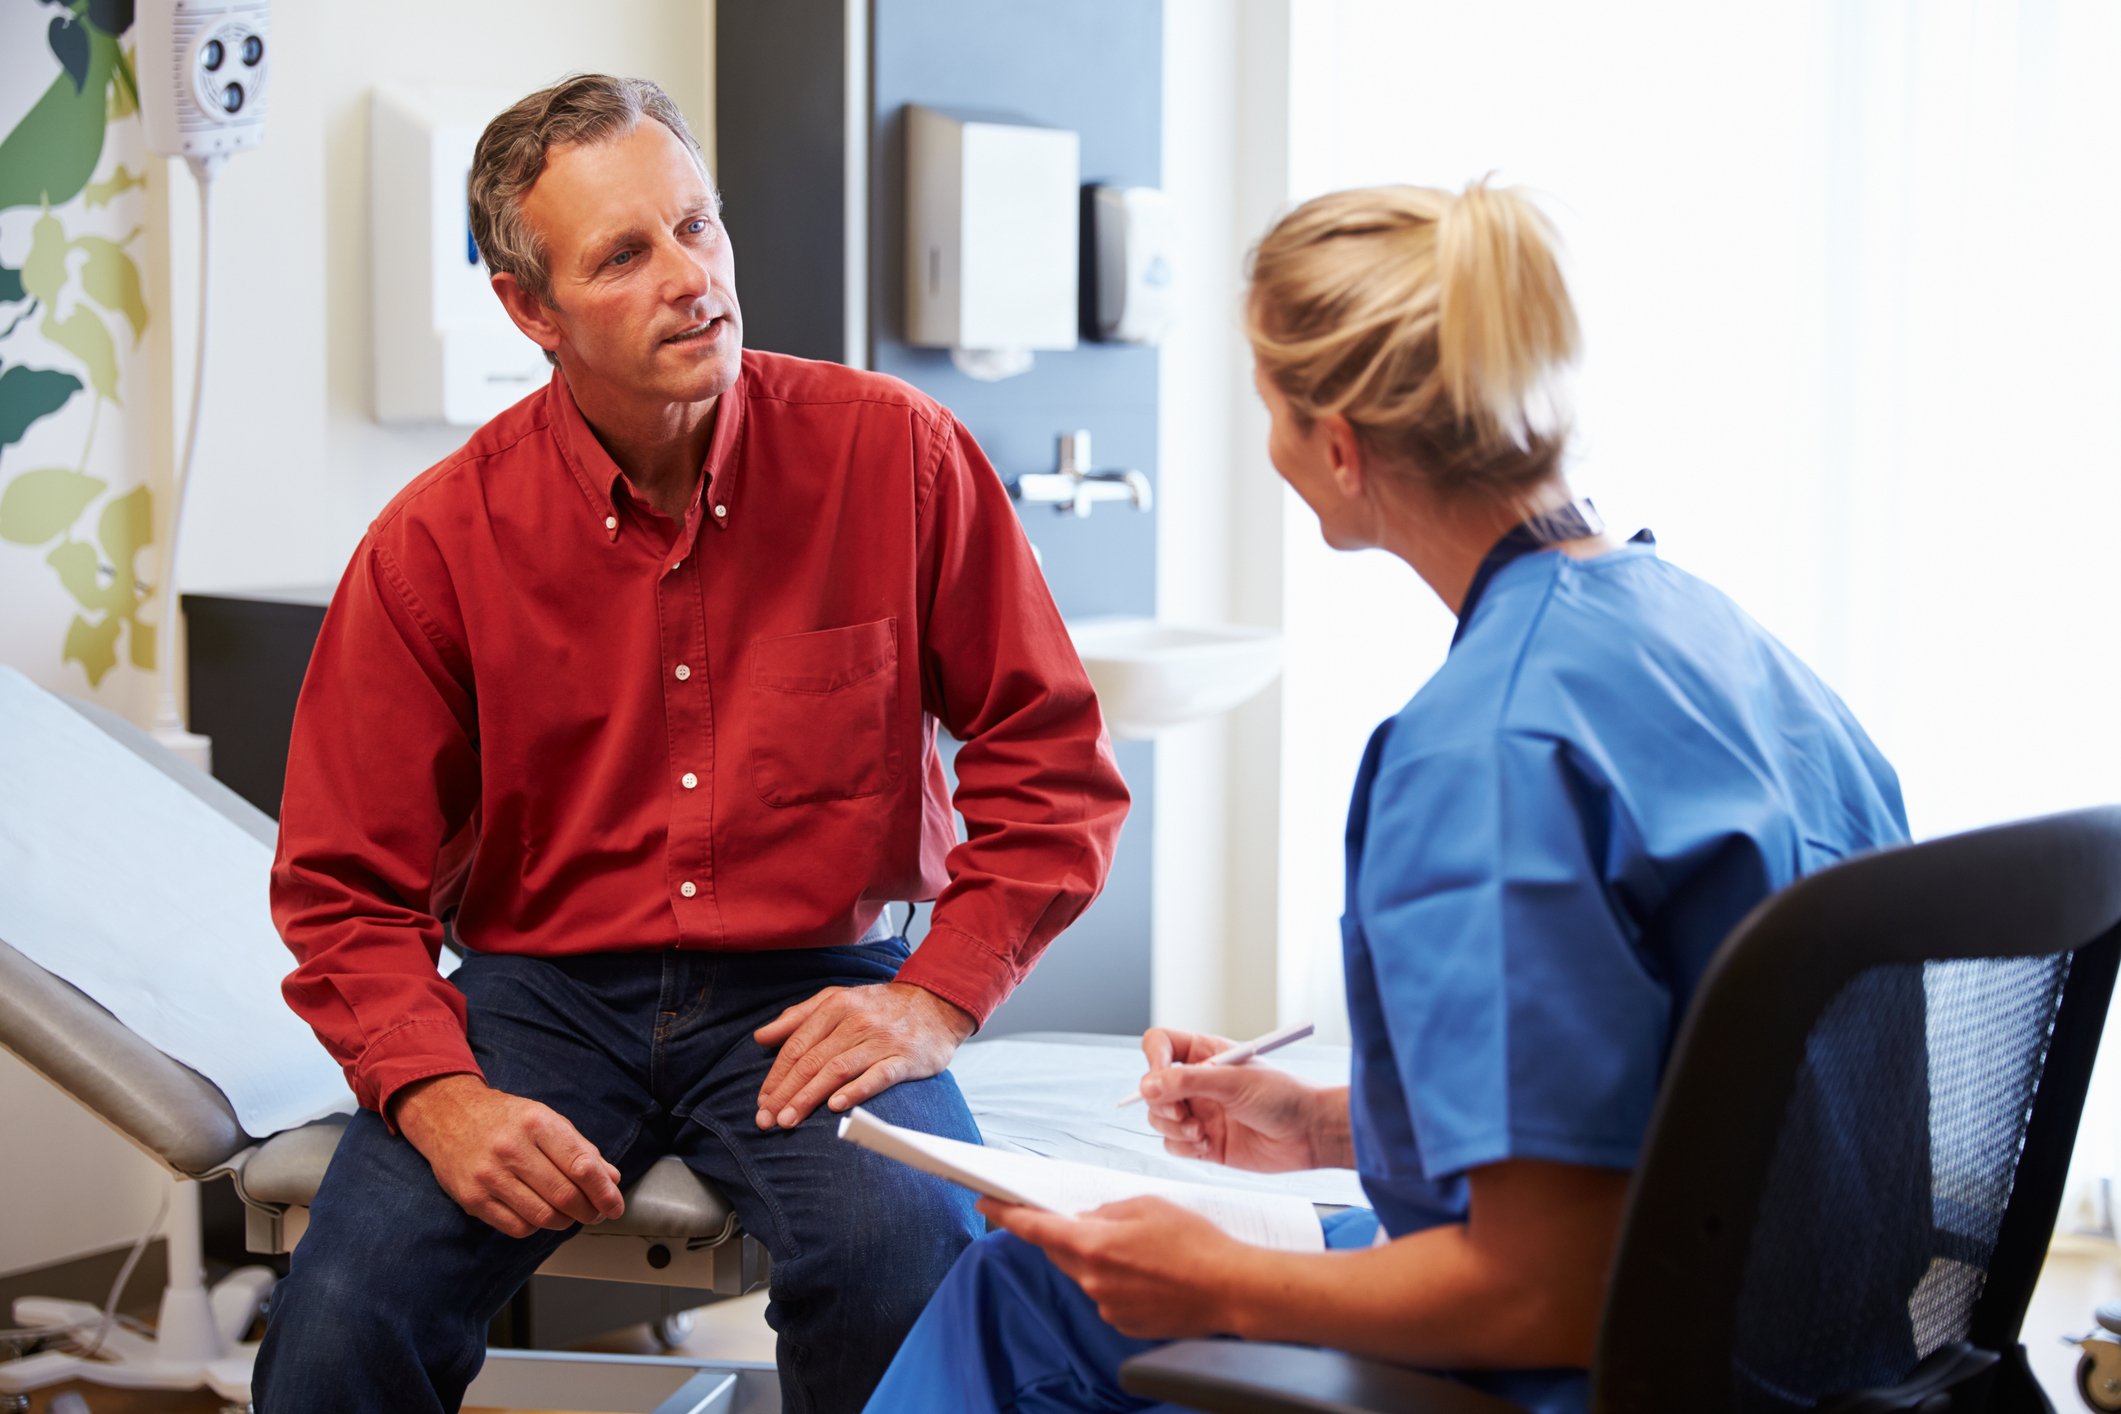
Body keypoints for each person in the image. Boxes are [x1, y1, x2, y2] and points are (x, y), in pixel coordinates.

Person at [861, 179, 1916, 1413]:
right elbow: (1683, 1092)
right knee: (1032, 1288)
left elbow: (1543, 1288)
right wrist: (1320, 1126)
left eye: (1271, 410)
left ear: (1343, 447)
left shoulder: (1484, 752)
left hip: (1621, 1361)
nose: (1272, 450)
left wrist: (1222, 1285)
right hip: (1810, 1342)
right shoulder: (1725, 645)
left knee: (1020, 1300)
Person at [251, 75, 1129, 1414]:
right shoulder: (433, 545)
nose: (693, 279)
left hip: (816, 975)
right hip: (539, 994)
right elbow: (339, 887)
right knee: (340, 1316)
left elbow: (1049, 755)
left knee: (914, 1260)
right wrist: (433, 1092)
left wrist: (935, 992)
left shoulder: (894, 455)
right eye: (624, 254)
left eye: (696, 227)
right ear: (528, 310)